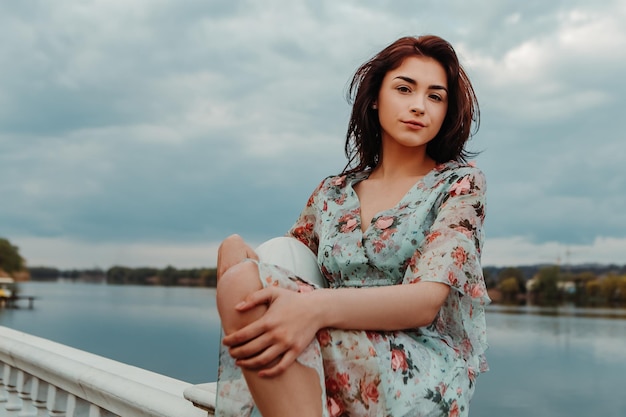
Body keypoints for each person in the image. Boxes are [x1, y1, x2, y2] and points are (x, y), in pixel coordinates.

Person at [215, 34, 490, 417]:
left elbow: (424, 302)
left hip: (416, 361)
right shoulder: (333, 193)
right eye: (404, 89)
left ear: (446, 111)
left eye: (435, 96)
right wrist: (232, 252)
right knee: (242, 283)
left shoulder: (459, 185)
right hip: (330, 339)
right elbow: (284, 265)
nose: (418, 106)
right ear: (376, 97)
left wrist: (315, 309)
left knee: (259, 298)